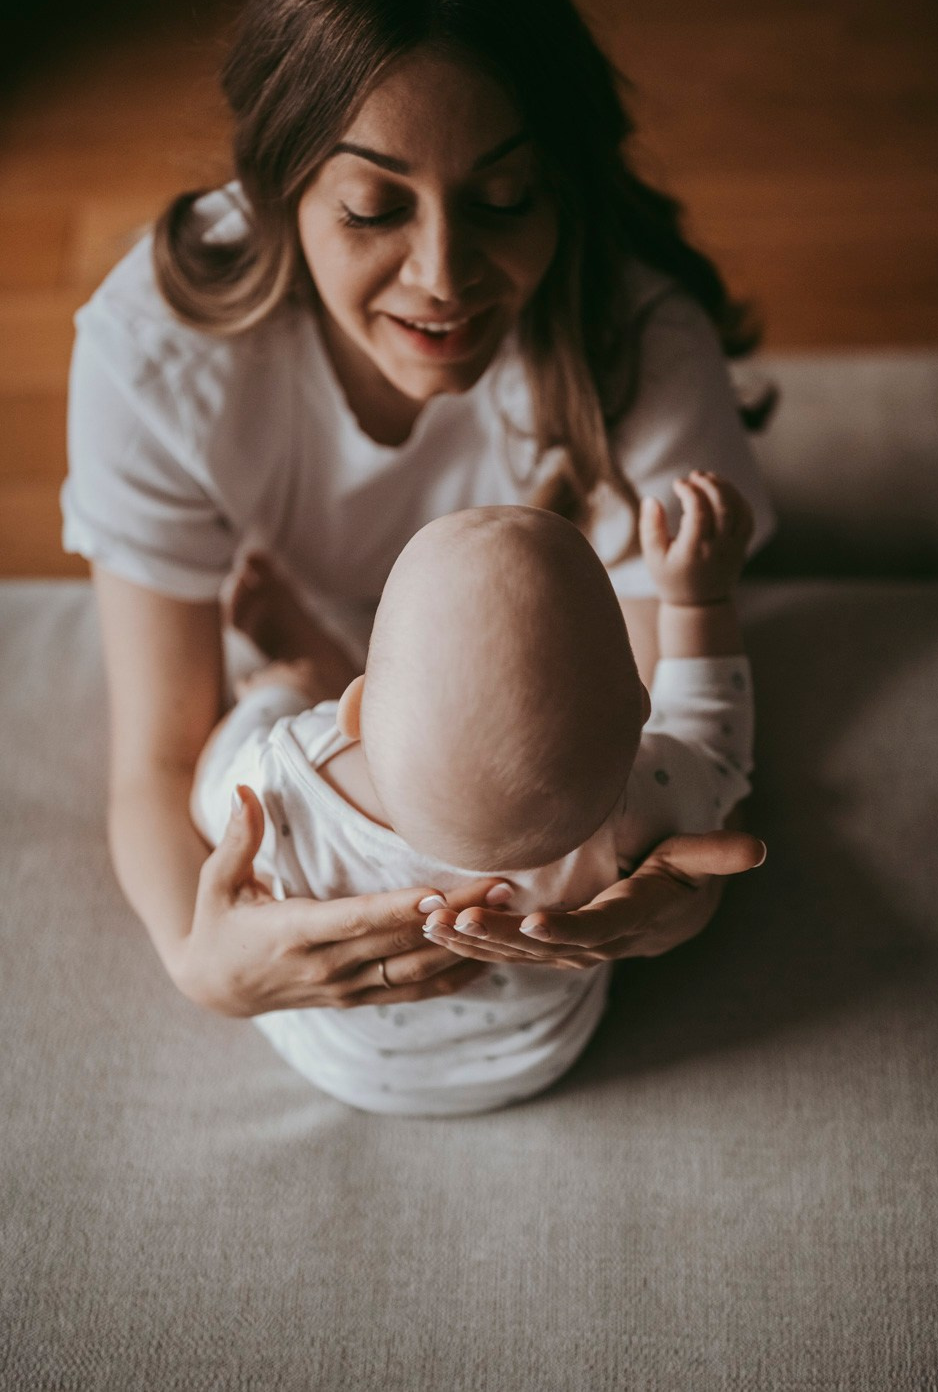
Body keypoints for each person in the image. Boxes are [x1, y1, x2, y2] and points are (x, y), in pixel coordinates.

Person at [60, 0, 776, 1021]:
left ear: (562, 180)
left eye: (503, 199)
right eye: (369, 208)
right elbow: (158, 757)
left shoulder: (637, 351)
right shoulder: (158, 356)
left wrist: (673, 896)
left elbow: (640, 737)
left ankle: (303, 653)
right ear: (280, 183)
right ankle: (305, 655)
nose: (443, 275)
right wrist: (198, 959)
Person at [189, 473, 765, 1115]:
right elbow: (715, 740)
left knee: (282, 695)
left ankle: (306, 669)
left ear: (351, 709)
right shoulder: (640, 800)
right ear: (638, 711)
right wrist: (696, 605)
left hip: (337, 1058)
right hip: (541, 1055)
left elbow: (210, 796)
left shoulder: (281, 778)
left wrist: (273, 701)